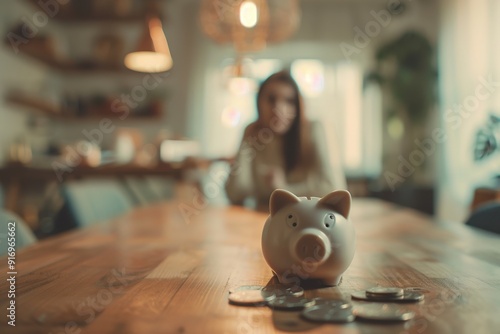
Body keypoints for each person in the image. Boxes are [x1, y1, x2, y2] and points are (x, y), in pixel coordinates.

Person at [225, 70, 346, 209]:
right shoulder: (254, 137)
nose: (279, 108)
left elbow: (334, 189)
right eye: (271, 99)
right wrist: (246, 139)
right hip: (265, 222)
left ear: (298, 106)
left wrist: (283, 188)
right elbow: (235, 193)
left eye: (289, 101)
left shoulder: (315, 130)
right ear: (258, 103)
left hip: (308, 223)